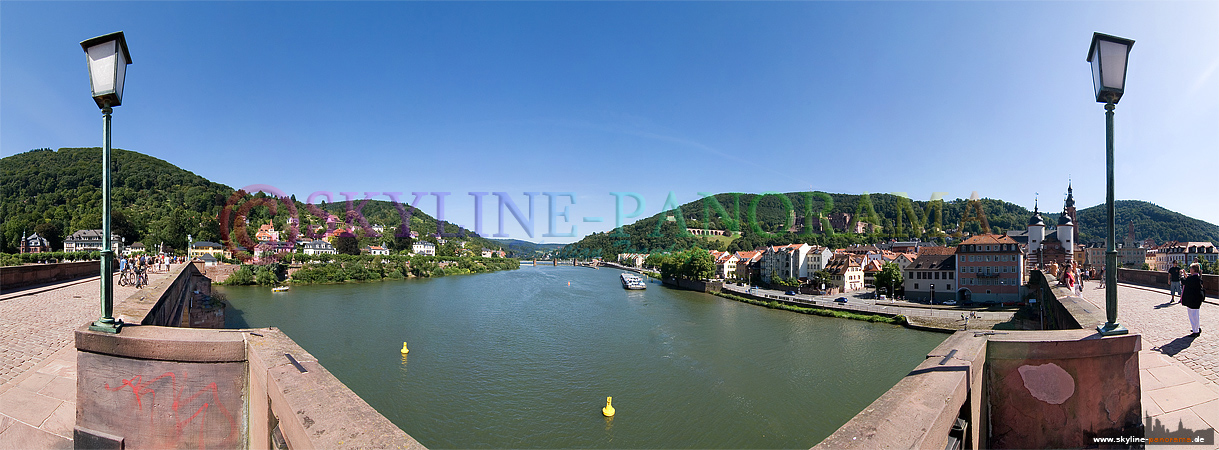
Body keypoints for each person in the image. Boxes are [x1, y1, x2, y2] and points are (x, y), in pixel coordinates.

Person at [1181, 262, 1205, 337]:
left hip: (1193, 300)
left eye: (1191, 268)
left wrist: (1182, 275)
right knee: (1195, 314)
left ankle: (1196, 331)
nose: (1190, 269)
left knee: (1193, 315)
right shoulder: (1197, 277)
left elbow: (1184, 281)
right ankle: (1196, 328)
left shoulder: (1193, 279)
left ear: (1194, 270)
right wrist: (1185, 275)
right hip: (1196, 299)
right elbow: (1189, 280)